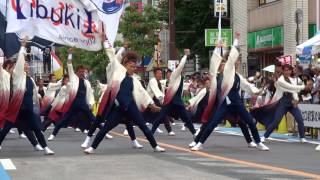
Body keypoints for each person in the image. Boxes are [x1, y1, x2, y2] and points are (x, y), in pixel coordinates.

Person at [191, 35, 269, 151]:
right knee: (212, 123)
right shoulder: (227, 69)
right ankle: (200, 143)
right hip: (225, 103)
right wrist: (235, 41)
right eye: (237, 59)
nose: (238, 62)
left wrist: (256, 91)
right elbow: (229, 58)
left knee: (249, 122)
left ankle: (258, 142)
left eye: (238, 60)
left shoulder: (237, 76)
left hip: (236, 102)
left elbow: (246, 85)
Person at [84, 43, 165, 154]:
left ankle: (155, 146)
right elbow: (113, 57)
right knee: (105, 128)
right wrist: (117, 46)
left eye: (134, 67)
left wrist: (152, 105)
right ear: (125, 65)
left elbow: (143, 94)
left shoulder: (135, 79)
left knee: (143, 127)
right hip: (119, 108)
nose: (133, 68)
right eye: (131, 66)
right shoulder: (117, 72)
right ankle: (92, 148)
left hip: (131, 106)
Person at [0, 40, 54, 155]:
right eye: (25, 63)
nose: (26, 65)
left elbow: (33, 93)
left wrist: (39, 98)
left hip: (28, 109)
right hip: (16, 109)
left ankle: (44, 147)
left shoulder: (30, 79)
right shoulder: (17, 76)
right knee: (6, 129)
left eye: (27, 64)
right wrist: (22, 47)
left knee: (35, 129)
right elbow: (20, 60)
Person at [47, 49, 95, 141]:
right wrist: (69, 54)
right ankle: (53, 134)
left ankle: (104, 132)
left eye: (83, 72)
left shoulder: (86, 82)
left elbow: (88, 94)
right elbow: (69, 64)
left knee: (93, 118)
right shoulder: (73, 78)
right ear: (76, 72)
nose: (82, 73)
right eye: (80, 72)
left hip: (83, 104)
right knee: (64, 119)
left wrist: (90, 104)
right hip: (73, 104)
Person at [260, 64, 312, 143]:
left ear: (291, 71)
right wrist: (304, 87)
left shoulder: (293, 79)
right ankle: (264, 136)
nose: (287, 72)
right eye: (286, 70)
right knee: (276, 121)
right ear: (283, 71)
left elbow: (294, 91)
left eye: (289, 70)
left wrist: (296, 100)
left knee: (300, 119)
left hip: (291, 102)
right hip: (282, 102)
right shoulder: (280, 80)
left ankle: (302, 137)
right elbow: (291, 87)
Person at [151, 54, 196, 136]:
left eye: (183, 68)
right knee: (161, 117)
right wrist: (185, 55)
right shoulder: (175, 74)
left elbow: (183, 88)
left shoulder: (181, 77)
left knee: (187, 118)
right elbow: (180, 66)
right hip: (170, 102)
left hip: (178, 103)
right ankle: (151, 132)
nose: (182, 69)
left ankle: (194, 134)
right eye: (181, 68)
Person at [146, 67, 175, 136]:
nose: (160, 75)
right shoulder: (152, 81)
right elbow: (157, 92)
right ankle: (128, 128)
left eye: (161, 73)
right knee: (138, 116)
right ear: (154, 74)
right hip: (149, 101)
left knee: (162, 113)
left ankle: (169, 130)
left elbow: (166, 86)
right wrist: (164, 99)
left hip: (156, 100)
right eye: (158, 73)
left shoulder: (161, 82)